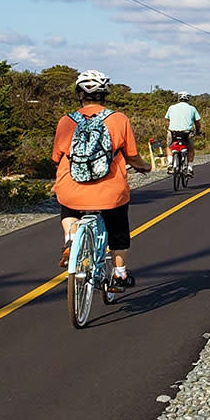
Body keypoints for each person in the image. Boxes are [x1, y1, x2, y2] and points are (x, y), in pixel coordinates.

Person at [52, 69, 151, 290]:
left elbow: (56, 157)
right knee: (118, 226)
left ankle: (71, 239)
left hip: (72, 190)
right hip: (109, 193)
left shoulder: (65, 121)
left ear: (79, 94)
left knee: (68, 209)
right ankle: (119, 274)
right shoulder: (118, 119)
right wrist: (143, 167)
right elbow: (132, 155)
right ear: (105, 94)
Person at [165, 91, 202, 175]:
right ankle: (189, 167)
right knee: (190, 149)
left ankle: (170, 163)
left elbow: (167, 120)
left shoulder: (171, 107)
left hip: (173, 132)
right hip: (186, 133)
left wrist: (169, 128)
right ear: (188, 99)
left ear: (178, 98)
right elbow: (197, 123)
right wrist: (198, 131)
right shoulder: (192, 108)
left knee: (169, 147)